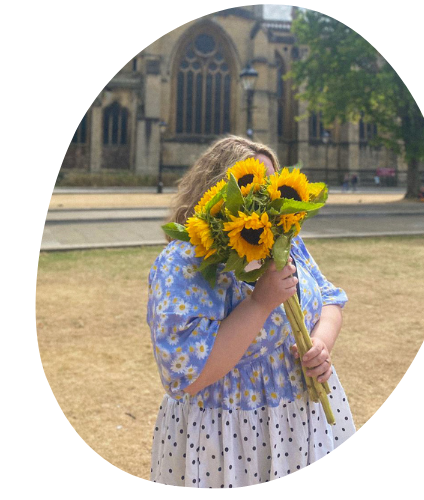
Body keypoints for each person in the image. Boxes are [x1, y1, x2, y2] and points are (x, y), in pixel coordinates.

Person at [146, 136, 356, 488]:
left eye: (272, 188)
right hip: (230, 433)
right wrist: (260, 303)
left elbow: (329, 298)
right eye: (252, 189)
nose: (267, 201)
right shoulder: (183, 261)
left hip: (301, 419)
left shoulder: (285, 242)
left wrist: (320, 344)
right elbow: (185, 376)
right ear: (216, 192)